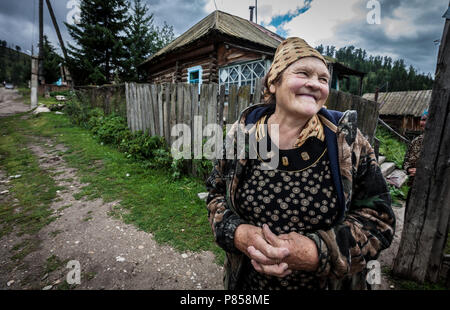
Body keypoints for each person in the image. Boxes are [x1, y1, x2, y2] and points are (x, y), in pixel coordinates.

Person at [205, 37, 395, 290]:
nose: (315, 84)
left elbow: (379, 221)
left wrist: (318, 252)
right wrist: (238, 234)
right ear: (274, 82)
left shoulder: (347, 143)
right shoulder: (241, 137)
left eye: (323, 79)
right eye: (303, 73)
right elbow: (215, 196)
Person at [403, 110, 428, 187]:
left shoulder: (442, 144)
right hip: (414, 186)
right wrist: (409, 169)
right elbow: (405, 161)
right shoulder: (416, 141)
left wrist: (421, 172)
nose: (424, 123)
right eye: (423, 119)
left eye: (428, 120)